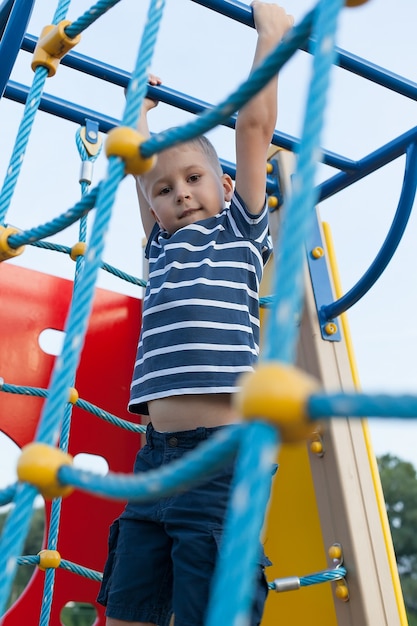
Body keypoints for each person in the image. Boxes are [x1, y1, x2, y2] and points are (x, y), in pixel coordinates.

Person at [97, 3, 294, 625]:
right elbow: (136, 166)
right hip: (153, 459)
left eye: (193, 178)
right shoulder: (159, 244)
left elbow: (253, 131)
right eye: (165, 188)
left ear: (227, 186)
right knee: (128, 605)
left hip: (220, 460)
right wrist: (138, 115)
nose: (180, 192)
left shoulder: (240, 231)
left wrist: (270, 40)